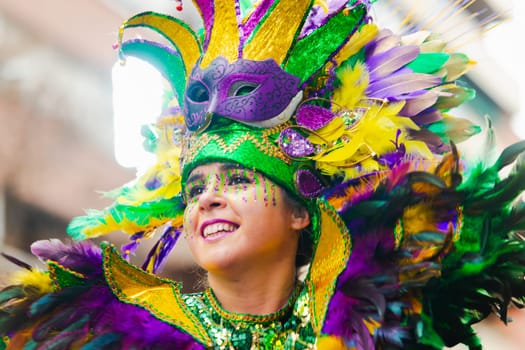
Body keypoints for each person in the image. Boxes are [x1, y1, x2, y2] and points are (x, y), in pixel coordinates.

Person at [1, 0, 525, 349]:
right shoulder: (119, 332)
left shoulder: (374, 327)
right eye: (194, 189)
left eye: (237, 180)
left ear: (301, 212)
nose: (205, 201)